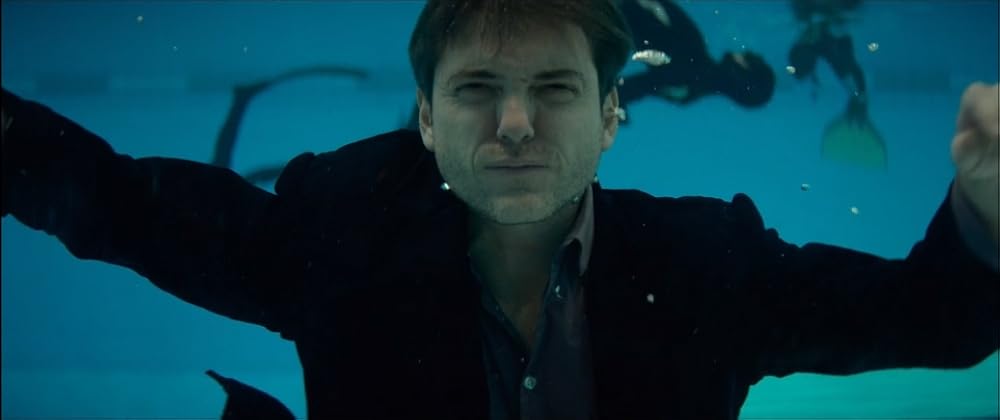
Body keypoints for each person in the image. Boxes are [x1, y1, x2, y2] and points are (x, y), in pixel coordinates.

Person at [2, 1, 998, 419]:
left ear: (611, 117)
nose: (515, 124)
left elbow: (934, 319)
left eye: (555, 90)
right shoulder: (334, 242)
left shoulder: (709, 267)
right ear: (425, 120)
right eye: (477, 89)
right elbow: (118, 204)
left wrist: (987, 210)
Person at [403, 0, 776, 131]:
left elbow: (637, 85)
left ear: (742, 75)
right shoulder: (692, 81)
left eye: (752, 62)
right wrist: (615, 108)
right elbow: (638, 86)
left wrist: (613, 107)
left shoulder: (692, 64)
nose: (748, 54)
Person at [787, 0, 887, 169]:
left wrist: (858, 97)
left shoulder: (830, 42)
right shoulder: (824, 43)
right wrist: (858, 97)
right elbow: (845, 69)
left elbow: (847, 68)